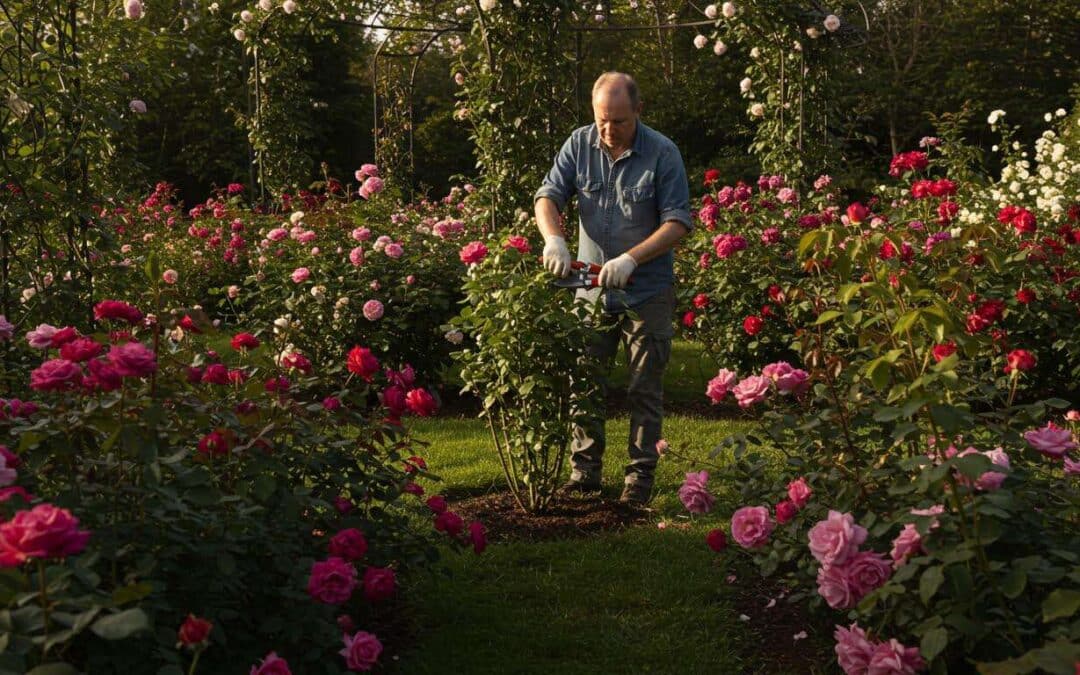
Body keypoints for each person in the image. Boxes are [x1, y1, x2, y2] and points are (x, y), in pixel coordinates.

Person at [533, 71, 692, 506]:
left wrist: (631, 258)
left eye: (618, 121)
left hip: (647, 288)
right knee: (584, 379)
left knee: (644, 386)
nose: (608, 130)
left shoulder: (662, 152)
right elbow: (548, 196)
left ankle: (639, 480)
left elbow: (677, 221)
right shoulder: (578, 144)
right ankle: (585, 473)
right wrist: (554, 238)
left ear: (638, 112)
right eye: (602, 119)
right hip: (589, 288)